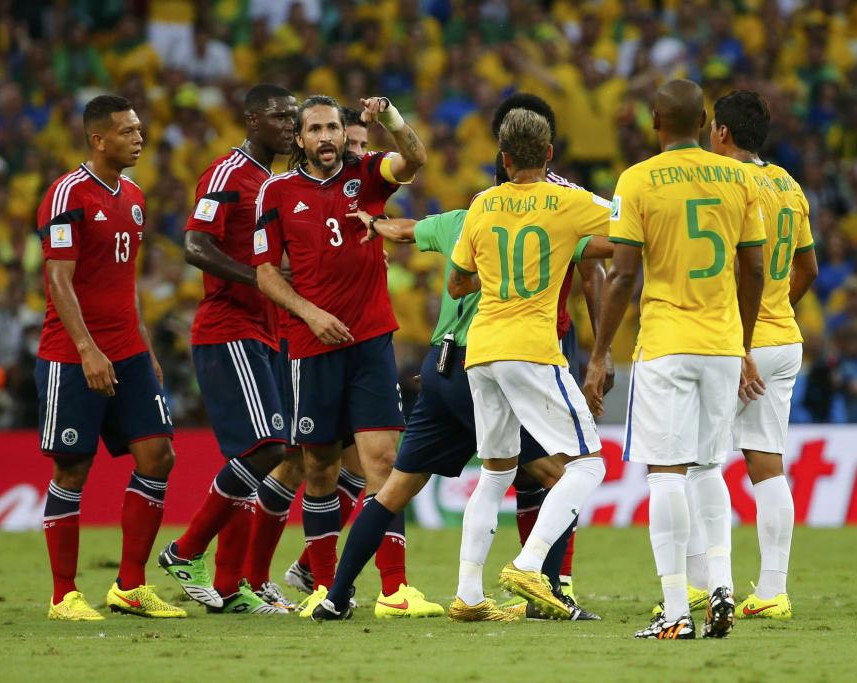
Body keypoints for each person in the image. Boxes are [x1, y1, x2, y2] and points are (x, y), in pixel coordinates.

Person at [310, 163, 613, 623]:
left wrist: (374, 223)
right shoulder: (549, 219)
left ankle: (336, 596)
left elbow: (408, 230)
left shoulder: (465, 216)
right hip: (490, 363)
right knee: (561, 474)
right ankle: (548, 593)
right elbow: (608, 245)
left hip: (440, 367)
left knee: (395, 490)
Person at [584, 79, 766, 640]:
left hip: (666, 342)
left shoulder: (636, 181)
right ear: (708, 121)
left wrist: (598, 355)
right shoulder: (741, 177)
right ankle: (722, 588)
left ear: (655, 122)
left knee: (666, 474)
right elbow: (755, 268)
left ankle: (674, 611)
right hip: (720, 345)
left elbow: (622, 276)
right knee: (710, 468)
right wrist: (742, 344)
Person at [252, 94, 440, 618]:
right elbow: (266, 273)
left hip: (372, 340)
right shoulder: (278, 191)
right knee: (319, 467)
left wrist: (392, 119)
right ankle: (325, 585)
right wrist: (310, 314)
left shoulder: (368, 174)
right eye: (316, 130)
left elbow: (416, 158)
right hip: (313, 348)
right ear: (299, 138)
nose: (327, 137)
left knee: (384, 462)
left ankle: (395, 590)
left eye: (334, 127)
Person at [449, 109, 610, 621]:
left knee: (495, 472)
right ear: (549, 154)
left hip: (482, 351)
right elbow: (633, 225)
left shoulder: (482, 204)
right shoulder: (569, 202)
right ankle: (528, 562)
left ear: (502, 158)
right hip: (531, 349)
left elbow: (456, 284)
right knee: (588, 463)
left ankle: (468, 595)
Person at [35, 95, 184, 621]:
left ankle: (130, 585)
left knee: (158, 457)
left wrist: (141, 341)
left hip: (127, 352)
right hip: (72, 356)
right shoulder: (66, 195)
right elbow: (57, 278)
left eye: (139, 129)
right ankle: (63, 595)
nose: (139, 138)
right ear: (98, 139)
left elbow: (126, 282)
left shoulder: (136, 197)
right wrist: (86, 348)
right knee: (73, 469)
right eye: (127, 131)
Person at [155, 84, 297, 615]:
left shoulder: (275, 182)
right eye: (281, 117)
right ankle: (184, 551)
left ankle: (231, 586)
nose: (289, 126)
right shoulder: (227, 173)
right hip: (227, 328)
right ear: (253, 118)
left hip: (266, 331)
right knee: (267, 451)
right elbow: (195, 245)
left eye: (294, 118)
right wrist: (261, 281)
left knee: (251, 459)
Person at [488, 92, 612, 598]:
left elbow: (592, 274)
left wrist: (597, 358)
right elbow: (610, 255)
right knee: (540, 466)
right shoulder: (529, 193)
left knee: (547, 464)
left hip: (543, 339)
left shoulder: (501, 195)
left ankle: (550, 578)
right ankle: (546, 577)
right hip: (530, 340)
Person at [706, 90, 818, 620]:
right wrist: (776, 308)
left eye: (712, 127)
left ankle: (707, 586)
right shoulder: (789, 185)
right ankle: (773, 591)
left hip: (734, 343)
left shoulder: (723, 182)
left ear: (722, 133)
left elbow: (732, 264)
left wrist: (743, 337)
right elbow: (808, 269)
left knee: (697, 464)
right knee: (767, 465)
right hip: (783, 340)